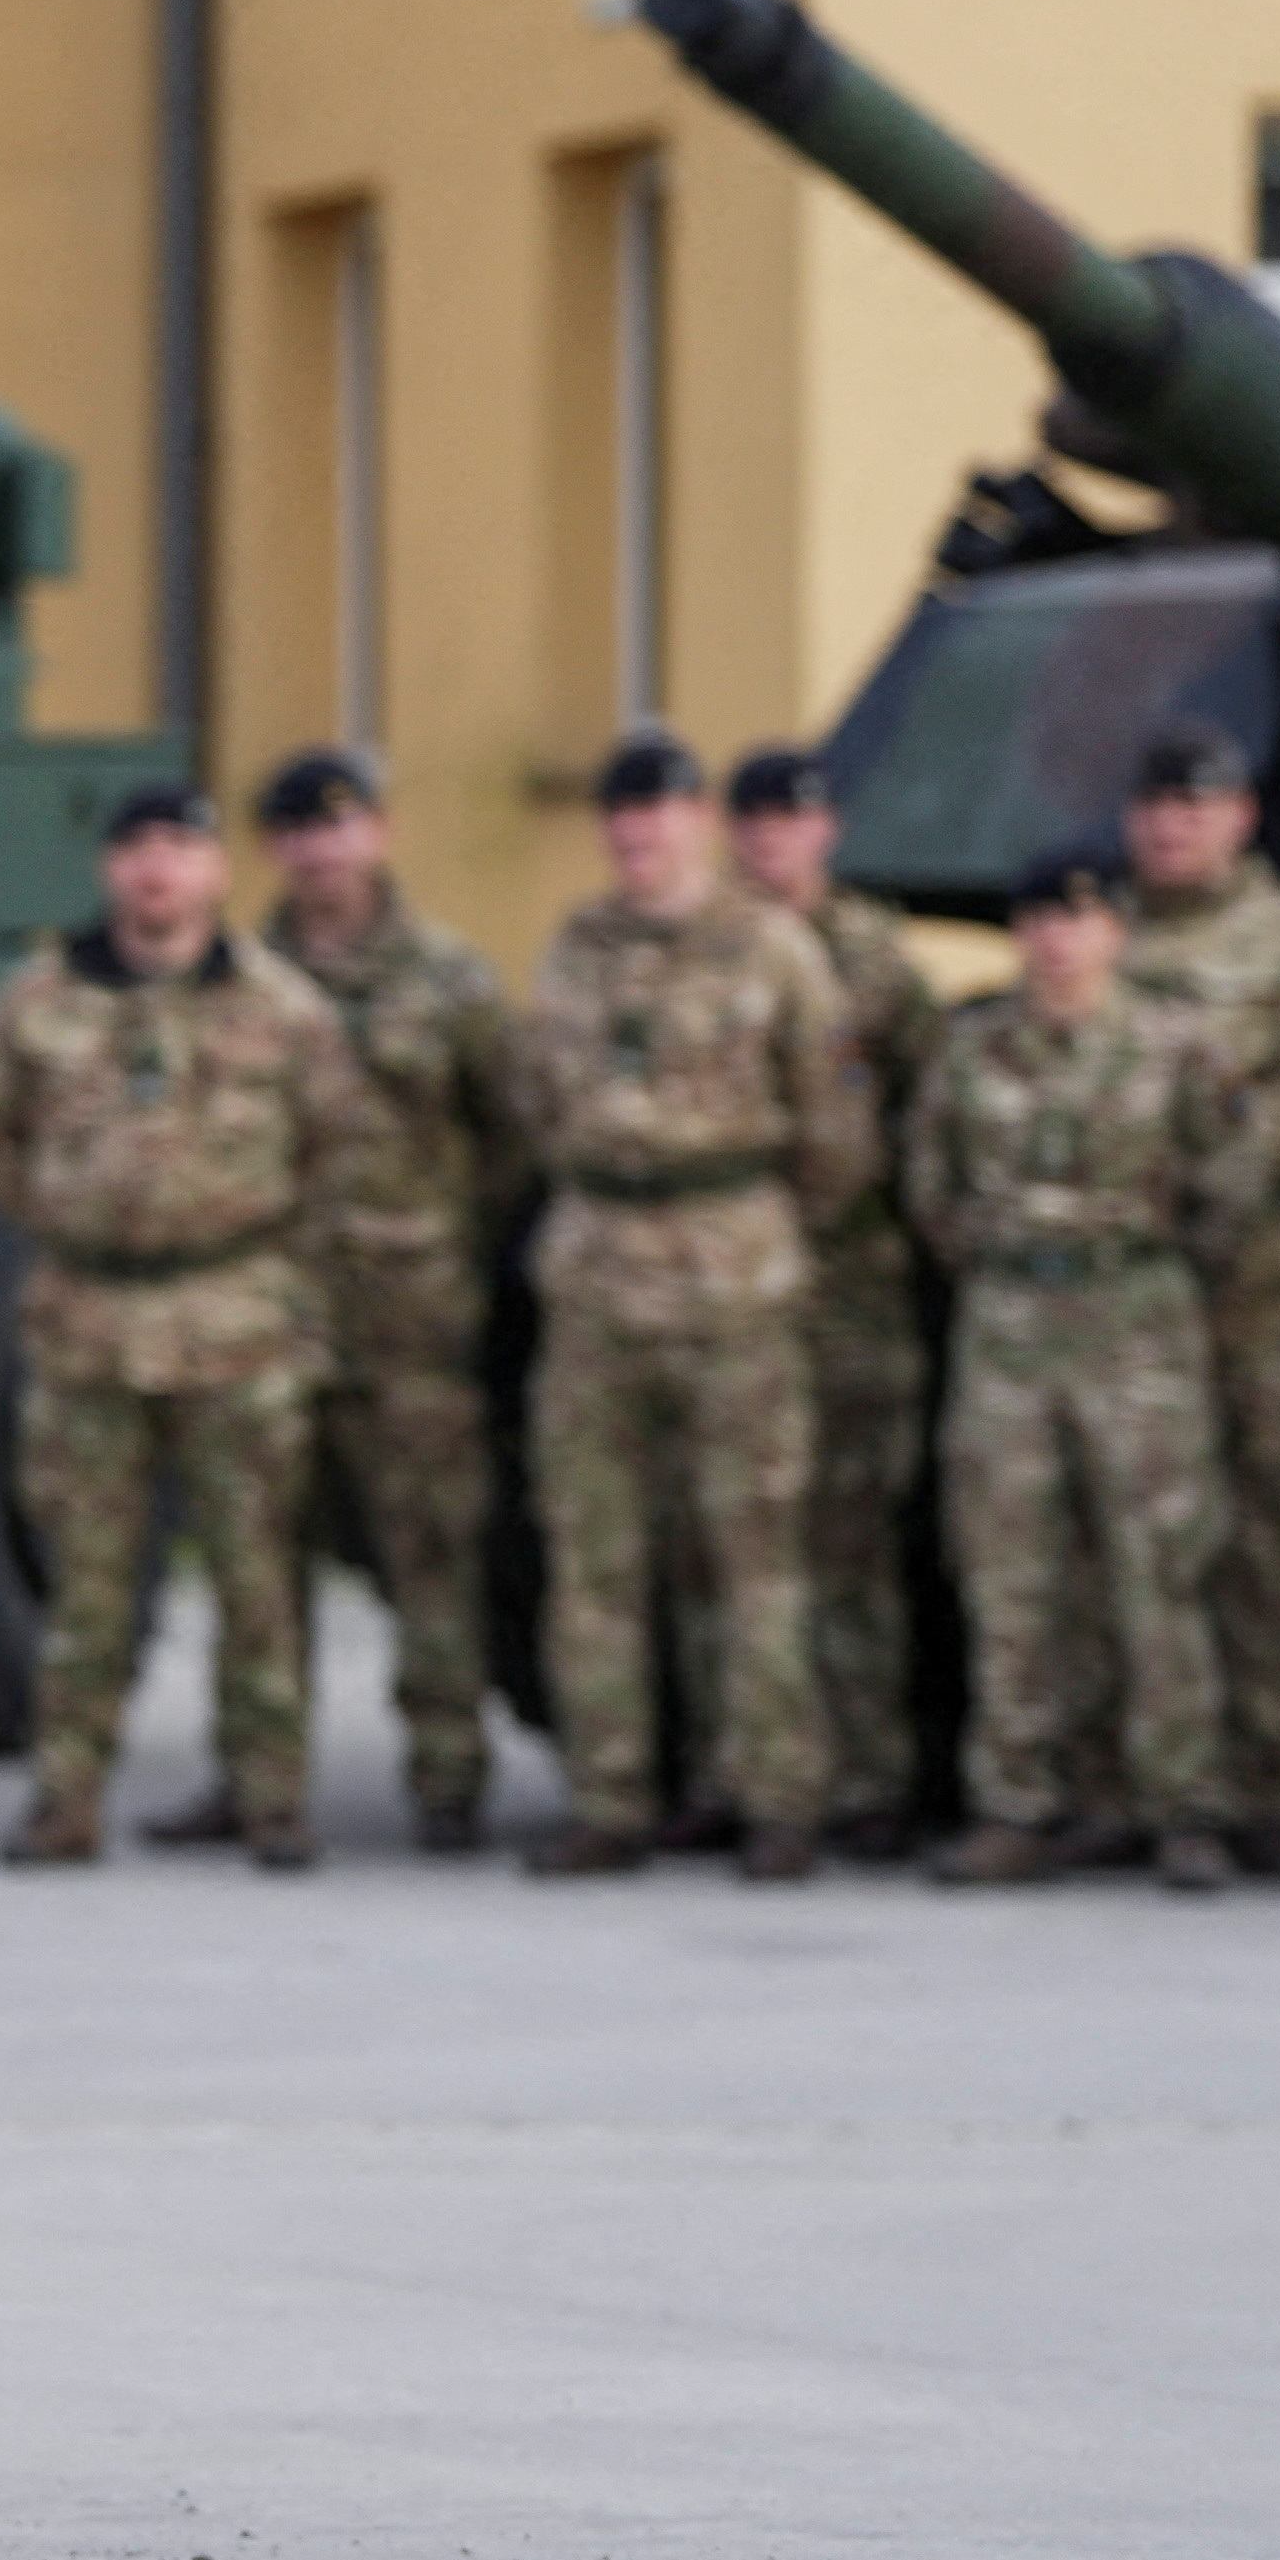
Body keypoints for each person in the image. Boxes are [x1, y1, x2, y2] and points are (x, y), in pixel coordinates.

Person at [0, 783, 373, 1872]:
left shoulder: (281, 1009)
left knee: (255, 1575)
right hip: (88, 1321)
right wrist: (81, 1222)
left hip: (233, 1321)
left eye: (179, 848)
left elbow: (332, 1150)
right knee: (88, 1582)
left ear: (216, 871)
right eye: (136, 848)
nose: (156, 868)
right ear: (109, 869)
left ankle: (270, 1795)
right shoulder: (35, 1004)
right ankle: (65, 1796)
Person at [509, 731, 875, 1881]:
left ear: (700, 821)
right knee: (595, 1554)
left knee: (756, 1550)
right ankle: (611, 1795)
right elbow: (535, 1098)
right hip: (598, 1276)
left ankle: (777, 1797)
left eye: (660, 811)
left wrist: (746, 1223)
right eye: (621, 814)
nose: (638, 832)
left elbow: (835, 1132)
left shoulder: (770, 950)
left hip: (731, 1277)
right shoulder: (573, 949)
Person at [905, 847, 1266, 1890]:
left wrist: (1146, 1260)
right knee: (1011, 1571)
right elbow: (932, 1188)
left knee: (1158, 1570)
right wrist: (1003, 1260)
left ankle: (1182, 1805)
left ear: (1115, 930)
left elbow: (1230, 1180)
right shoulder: (972, 1051)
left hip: (1135, 1321)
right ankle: (1020, 1801)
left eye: (1079, 917)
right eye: (1038, 919)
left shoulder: (1176, 1046)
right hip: (1009, 1326)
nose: (1057, 938)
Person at [246, 746, 519, 1852]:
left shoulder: (448, 979)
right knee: (258, 1562)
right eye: (300, 830)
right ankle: (256, 1779)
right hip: (268, 1315)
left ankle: (446, 1777)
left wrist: (441, 1244)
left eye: (342, 825)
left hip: (412, 1319)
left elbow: (507, 1137)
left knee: (431, 1558)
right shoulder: (235, 982)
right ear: (274, 849)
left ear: (380, 834)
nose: (323, 849)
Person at [1114, 717, 1280, 1871]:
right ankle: (1148, 1783)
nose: (1173, 825)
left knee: (1255, 1531)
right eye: (1157, 807)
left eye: (1196, 805)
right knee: (1137, 1535)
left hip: (1252, 1277)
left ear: (1240, 817)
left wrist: (1227, 1168)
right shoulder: (1093, 934)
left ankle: (1264, 1783)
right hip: (1124, 1291)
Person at [726, 743, 950, 1858]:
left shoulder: (878, 966)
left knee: (851, 1538)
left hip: (853, 1287)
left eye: (793, 820)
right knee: (737, 1543)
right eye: (754, 820)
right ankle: (746, 1773)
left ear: (827, 833)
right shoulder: (700, 955)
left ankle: (866, 1775)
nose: (772, 839)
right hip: (725, 1287)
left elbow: (926, 1117)